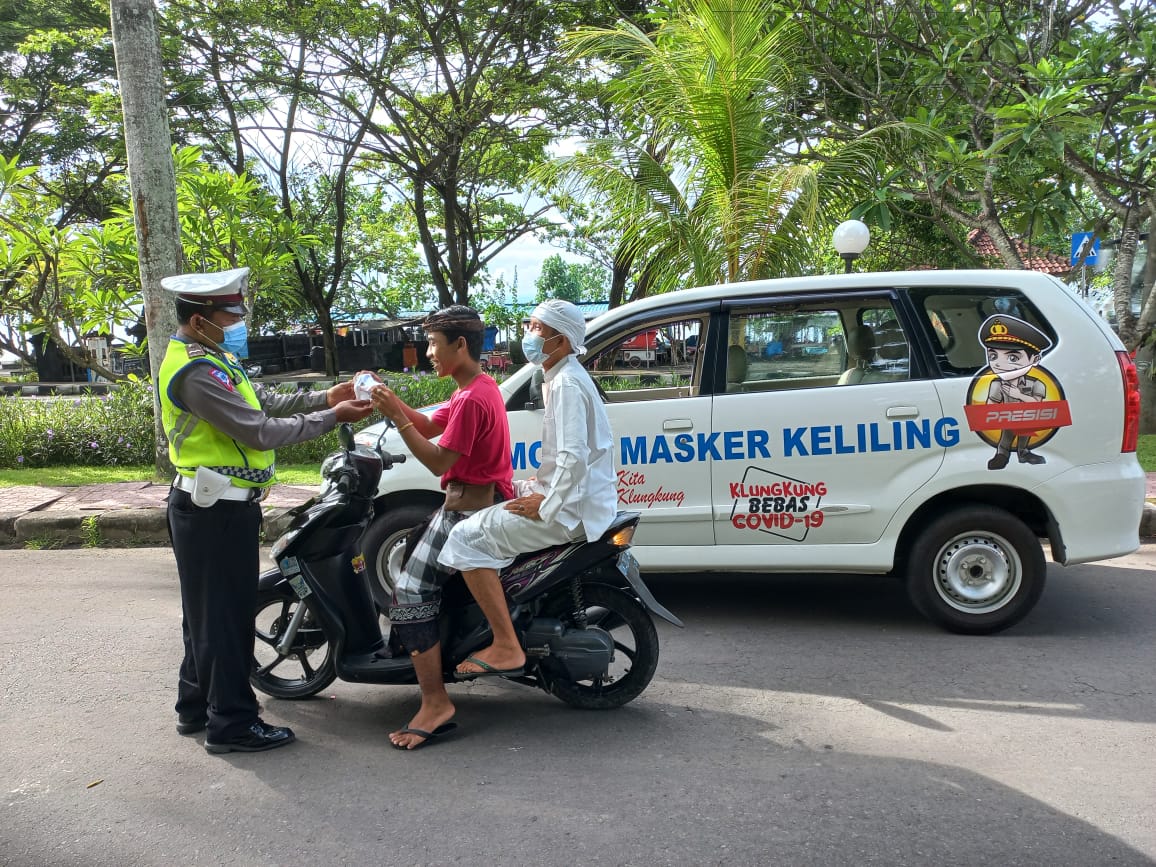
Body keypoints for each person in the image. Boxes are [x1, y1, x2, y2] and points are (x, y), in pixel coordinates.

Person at [159, 267, 374, 754]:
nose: (239, 323)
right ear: (198, 319)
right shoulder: (194, 371)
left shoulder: (212, 359)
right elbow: (258, 430)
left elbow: (264, 401)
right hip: (212, 511)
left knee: (205, 616)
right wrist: (331, 417)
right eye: (230, 315)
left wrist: (327, 396)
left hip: (216, 506)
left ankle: (194, 707)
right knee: (224, 618)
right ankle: (231, 724)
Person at [439, 299, 616, 681]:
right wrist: (530, 487)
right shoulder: (561, 375)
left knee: (464, 539)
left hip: (570, 510)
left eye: (538, 329)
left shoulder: (566, 382)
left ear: (562, 341)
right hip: (576, 500)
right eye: (530, 326)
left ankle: (505, 643)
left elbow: (573, 456)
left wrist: (547, 504)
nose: (529, 336)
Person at [368, 306, 514, 751]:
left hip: (466, 514)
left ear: (460, 345)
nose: (427, 352)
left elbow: (436, 460)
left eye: (433, 343)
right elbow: (431, 423)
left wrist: (396, 417)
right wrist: (393, 404)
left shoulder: (473, 398)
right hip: (466, 506)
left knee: (409, 593)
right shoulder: (474, 388)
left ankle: (435, 702)